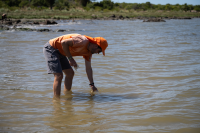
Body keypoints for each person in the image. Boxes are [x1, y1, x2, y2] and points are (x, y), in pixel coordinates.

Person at [43, 34, 108, 97]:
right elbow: (64, 43)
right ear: (96, 46)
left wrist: (92, 85)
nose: (98, 53)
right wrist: (70, 58)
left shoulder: (88, 53)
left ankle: (67, 95)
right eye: (99, 51)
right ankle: (56, 101)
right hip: (52, 48)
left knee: (70, 73)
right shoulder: (82, 41)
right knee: (59, 75)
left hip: (62, 52)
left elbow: (88, 68)